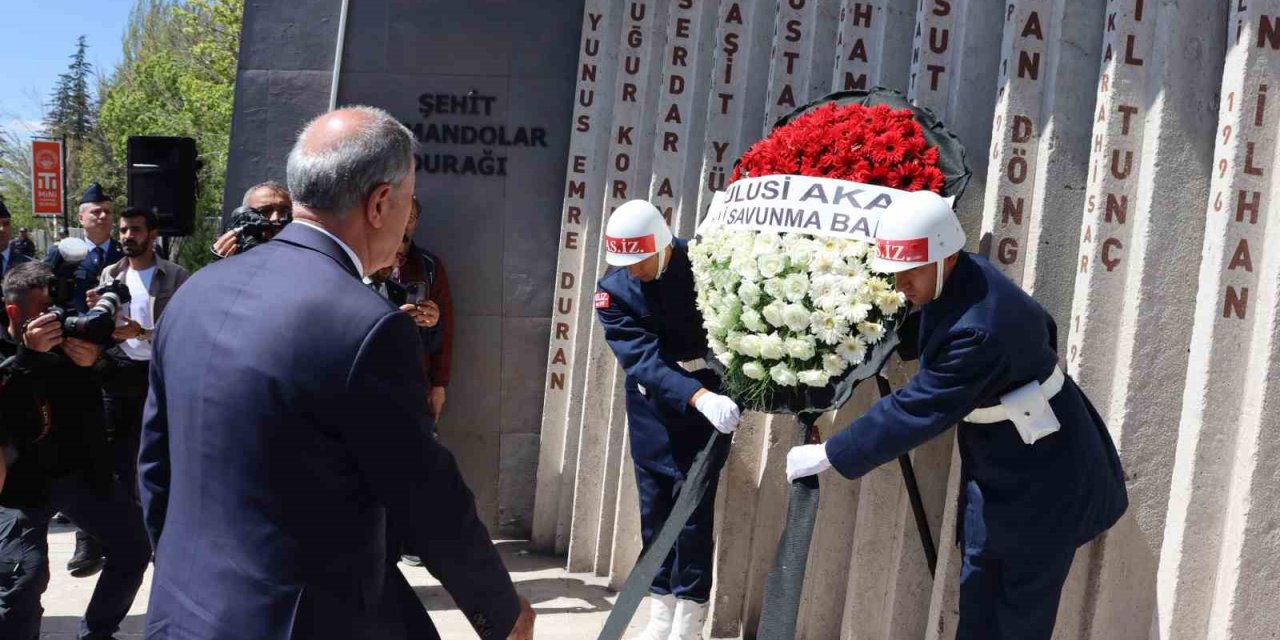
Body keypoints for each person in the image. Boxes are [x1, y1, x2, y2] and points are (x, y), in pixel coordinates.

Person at [139, 106, 534, 640]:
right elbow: (425, 496)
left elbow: (156, 467)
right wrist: (502, 612)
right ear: (378, 203)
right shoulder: (367, 327)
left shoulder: (195, 294)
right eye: (408, 200)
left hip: (181, 612)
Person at [784, 200, 1128, 639]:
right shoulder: (965, 277)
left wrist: (831, 452)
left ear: (946, 256)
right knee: (979, 596)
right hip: (1007, 460)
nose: (900, 283)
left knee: (1018, 616)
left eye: (912, 271)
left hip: (1043, 481)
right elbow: (1031, 328)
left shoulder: (977, 329)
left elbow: (916, 409)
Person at [594, 200, 742, 640]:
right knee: (655, 511)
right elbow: (642, 359)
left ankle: (690, 619)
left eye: (640, 261)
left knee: (693, 512)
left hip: (708, 399)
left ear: (663, 246)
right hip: (653, 407)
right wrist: (696, 396)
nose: (634, 271)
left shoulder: (704, 264)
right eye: (627, 263)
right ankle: (660, 613)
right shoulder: (613, 290)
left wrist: (722, 389)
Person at [0, 262, 152, 640]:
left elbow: (129, 382)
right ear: (13, 313)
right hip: (19, 484)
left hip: (81, 474)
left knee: (134, 547)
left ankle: (98, 633)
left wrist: (97, 361)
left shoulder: (71, 333)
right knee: (24, 577)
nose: (55, 322)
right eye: (43, 315)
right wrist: (29, 358)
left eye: (57, 312)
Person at [42, 182, 122, 578]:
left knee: (112, 451)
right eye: (95, 211)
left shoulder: (128, 253)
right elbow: (45, 299)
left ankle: (114, 535)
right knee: (80, 449)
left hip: (116, 361)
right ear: (81, 216)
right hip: (71, 361)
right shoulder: (62, 254)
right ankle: (87, 541)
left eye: (108, 210)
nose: (103, 216)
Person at [93, 207, 190, 501]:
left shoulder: (175, 276)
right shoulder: (111, 273)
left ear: (152, 234)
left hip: (156, 372)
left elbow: (184, 329)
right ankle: (123, 526)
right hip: (117, 369)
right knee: (115, 452)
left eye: (135, 230)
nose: (127, 236)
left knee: (156, 450)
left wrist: (142, 333)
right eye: (123, 230)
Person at [211, 180, 293, 258]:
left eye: (284, 211)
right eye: (265, 211)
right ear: (244, 215)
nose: (276, 218)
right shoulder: (233, 255)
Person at [1, 201, 35, 277]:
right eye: (21, 232)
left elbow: (32, 252)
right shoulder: (14, 242)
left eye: (6, 224)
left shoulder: (30, 267)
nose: (2, 229)